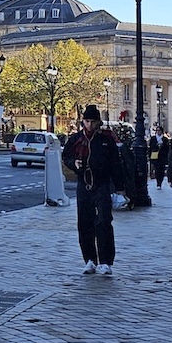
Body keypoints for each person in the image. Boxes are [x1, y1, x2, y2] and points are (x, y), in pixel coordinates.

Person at [61, 104, 126, 276]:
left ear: (98, 122)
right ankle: (89, 259)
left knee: (104, 221)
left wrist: (120, 188)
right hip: (84, 184)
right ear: (83, 121)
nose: (89, 125)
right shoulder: (76, 139)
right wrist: (73, 163)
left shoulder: (106, 140)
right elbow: (66, 156)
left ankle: (105, 261)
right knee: (84, 223)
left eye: (93, 121)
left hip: (102, 183)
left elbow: (116, 164)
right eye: (87, 121)